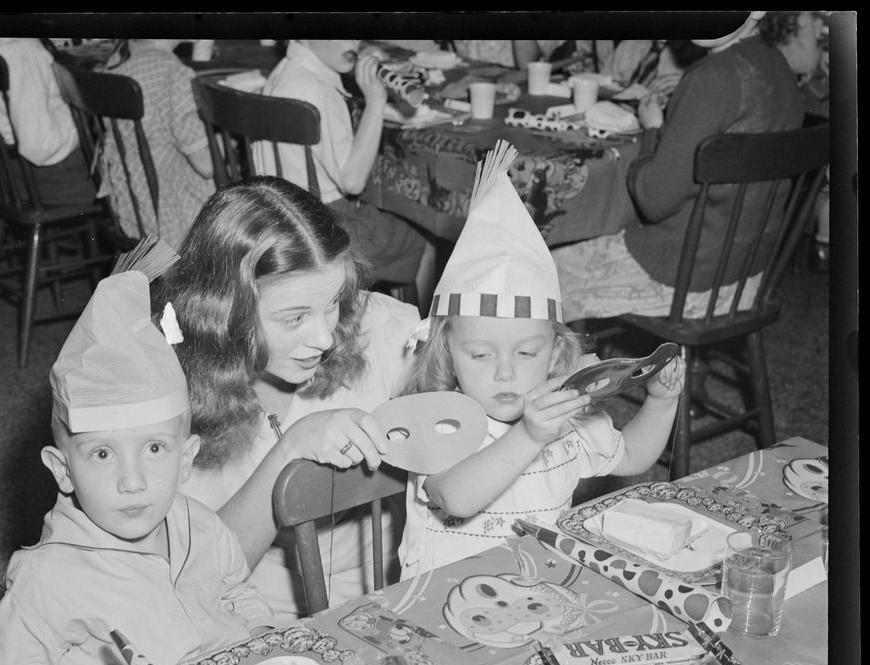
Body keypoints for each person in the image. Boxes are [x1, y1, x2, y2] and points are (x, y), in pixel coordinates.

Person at [0, 269, 275, 665]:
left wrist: (262, 639)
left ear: (186, 458)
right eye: (103, 453)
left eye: (154, 448)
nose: (132, 481)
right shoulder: (49, 579)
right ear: (63, 470)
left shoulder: (201, 523)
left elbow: (236, 591)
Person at [396, 141, 683, 579]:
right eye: (480, 354)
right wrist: (530, 435)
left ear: (555, 354)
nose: (505, 371)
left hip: (540, 587)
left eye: (527, 352)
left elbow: (631, 457)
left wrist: (660, 404)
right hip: (445, 604)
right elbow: (455, 497)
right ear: (447, 352)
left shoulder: (563, 416)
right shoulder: (438, 420)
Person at [155, 176, 422, 624]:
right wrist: (290, 450)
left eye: (334, 302)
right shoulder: (176, 385)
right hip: (258, 606)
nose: (323, 337)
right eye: (293, 317)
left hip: (394, 584)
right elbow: (205, 573)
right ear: (225, 312)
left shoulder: (387, 332)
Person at [549, 11, 824, 323]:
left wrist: (653, 128)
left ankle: (573, 367)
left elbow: (654, 202)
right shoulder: (778, 67)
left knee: (534, 271)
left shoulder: (710, 77)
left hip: (683, 281)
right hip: (746, 280)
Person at [253, 40, 434, 309]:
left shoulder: (285, 72)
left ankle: (379, 313)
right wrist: (375, 101)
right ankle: (417, 337)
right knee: (424, 230)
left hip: (281, 219)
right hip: (327, 227)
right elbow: (352, 180)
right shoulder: (318, 91)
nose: (354, 42)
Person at [0, 37, 96, 207]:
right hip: (47, 180)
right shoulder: (24, 51)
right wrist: (81, 118)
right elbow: (40, 147)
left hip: (4, 173)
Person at [98, 39, 215, 250]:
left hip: (132, 207)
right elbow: (207, 167)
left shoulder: (117, 62)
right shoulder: (174, 73)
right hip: (174, 218)